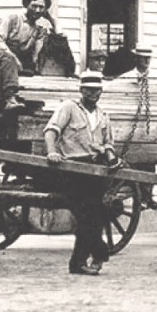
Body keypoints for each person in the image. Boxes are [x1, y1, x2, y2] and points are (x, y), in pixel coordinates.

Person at [44, 71, 119, 276]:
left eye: (97, 90)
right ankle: (83, 260)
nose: (93, 94)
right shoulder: (69, 108)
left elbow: (108, 143)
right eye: (89, 90)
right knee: (88, 214)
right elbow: (51, 131)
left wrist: (111, 157)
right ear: (81, 90)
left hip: (97, 170)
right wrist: (52, 152)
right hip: (73, 170)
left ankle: (94, 255)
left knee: (97, 213)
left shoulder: (103, 115)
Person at [0, 0, 55, 113]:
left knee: (7, 69)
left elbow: (36, 53)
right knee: (8, 60)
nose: (38, 10)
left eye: (41, 7)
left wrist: (52, 22)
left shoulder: (39, 29)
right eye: (34, 6)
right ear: (27, 5)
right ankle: (10, 97)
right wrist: (12, 56)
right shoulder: (12, 19)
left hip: (9, 62)